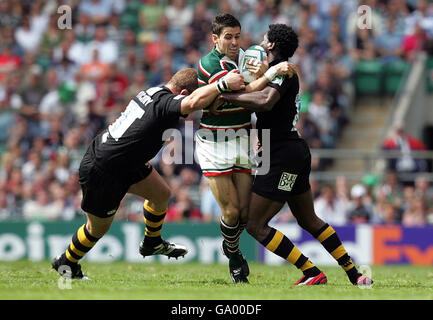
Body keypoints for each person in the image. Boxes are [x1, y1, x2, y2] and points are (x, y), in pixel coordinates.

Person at [215, 24, 373, 286]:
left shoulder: (284, 72)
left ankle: (311, 271)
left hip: (281, 155)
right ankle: (353, 274)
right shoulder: (275, 73)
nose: (261, 41)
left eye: (265, 38)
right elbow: (261, 95)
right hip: (289, 150)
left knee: (255, 224)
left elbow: (266, 102)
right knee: (308, 220)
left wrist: (228, 96)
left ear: (271, 45)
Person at [51, 67, 246, 279]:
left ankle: (152, 243)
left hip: (125, 161)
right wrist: (221, 85)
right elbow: (190, 103)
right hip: (105, 168)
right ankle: (67, 263)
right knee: (96, 229)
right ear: (182, 94)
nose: (192, 110)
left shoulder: (153, 92)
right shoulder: (167, 102)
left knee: (161, 194)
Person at [195, 13, 294, 283]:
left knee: (246, 214)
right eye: (228, 37)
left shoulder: (245, 56)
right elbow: (247, 87)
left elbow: (251, 89)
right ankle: (234, 255)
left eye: (237, 36)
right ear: (215, 39)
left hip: (241, 138)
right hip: (214, 144)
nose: (234, 42)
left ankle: (229, 245)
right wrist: (274, 70)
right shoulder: (209, 64)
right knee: (231, 212)